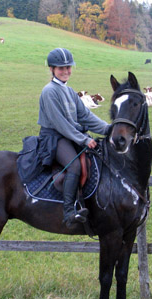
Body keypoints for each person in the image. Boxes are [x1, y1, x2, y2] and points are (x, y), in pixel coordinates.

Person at [37, 48, 110, 228]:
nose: (65, 71)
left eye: (68, 67)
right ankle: (69, 212)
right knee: (74, 165)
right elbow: (60, 124)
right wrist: (83, 139)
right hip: (54, 137)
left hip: (69, 135)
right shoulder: (49, 91)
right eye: (61, 68)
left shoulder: (69, 91)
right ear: (52, 69)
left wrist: (110, 129)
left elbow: (86, 116)